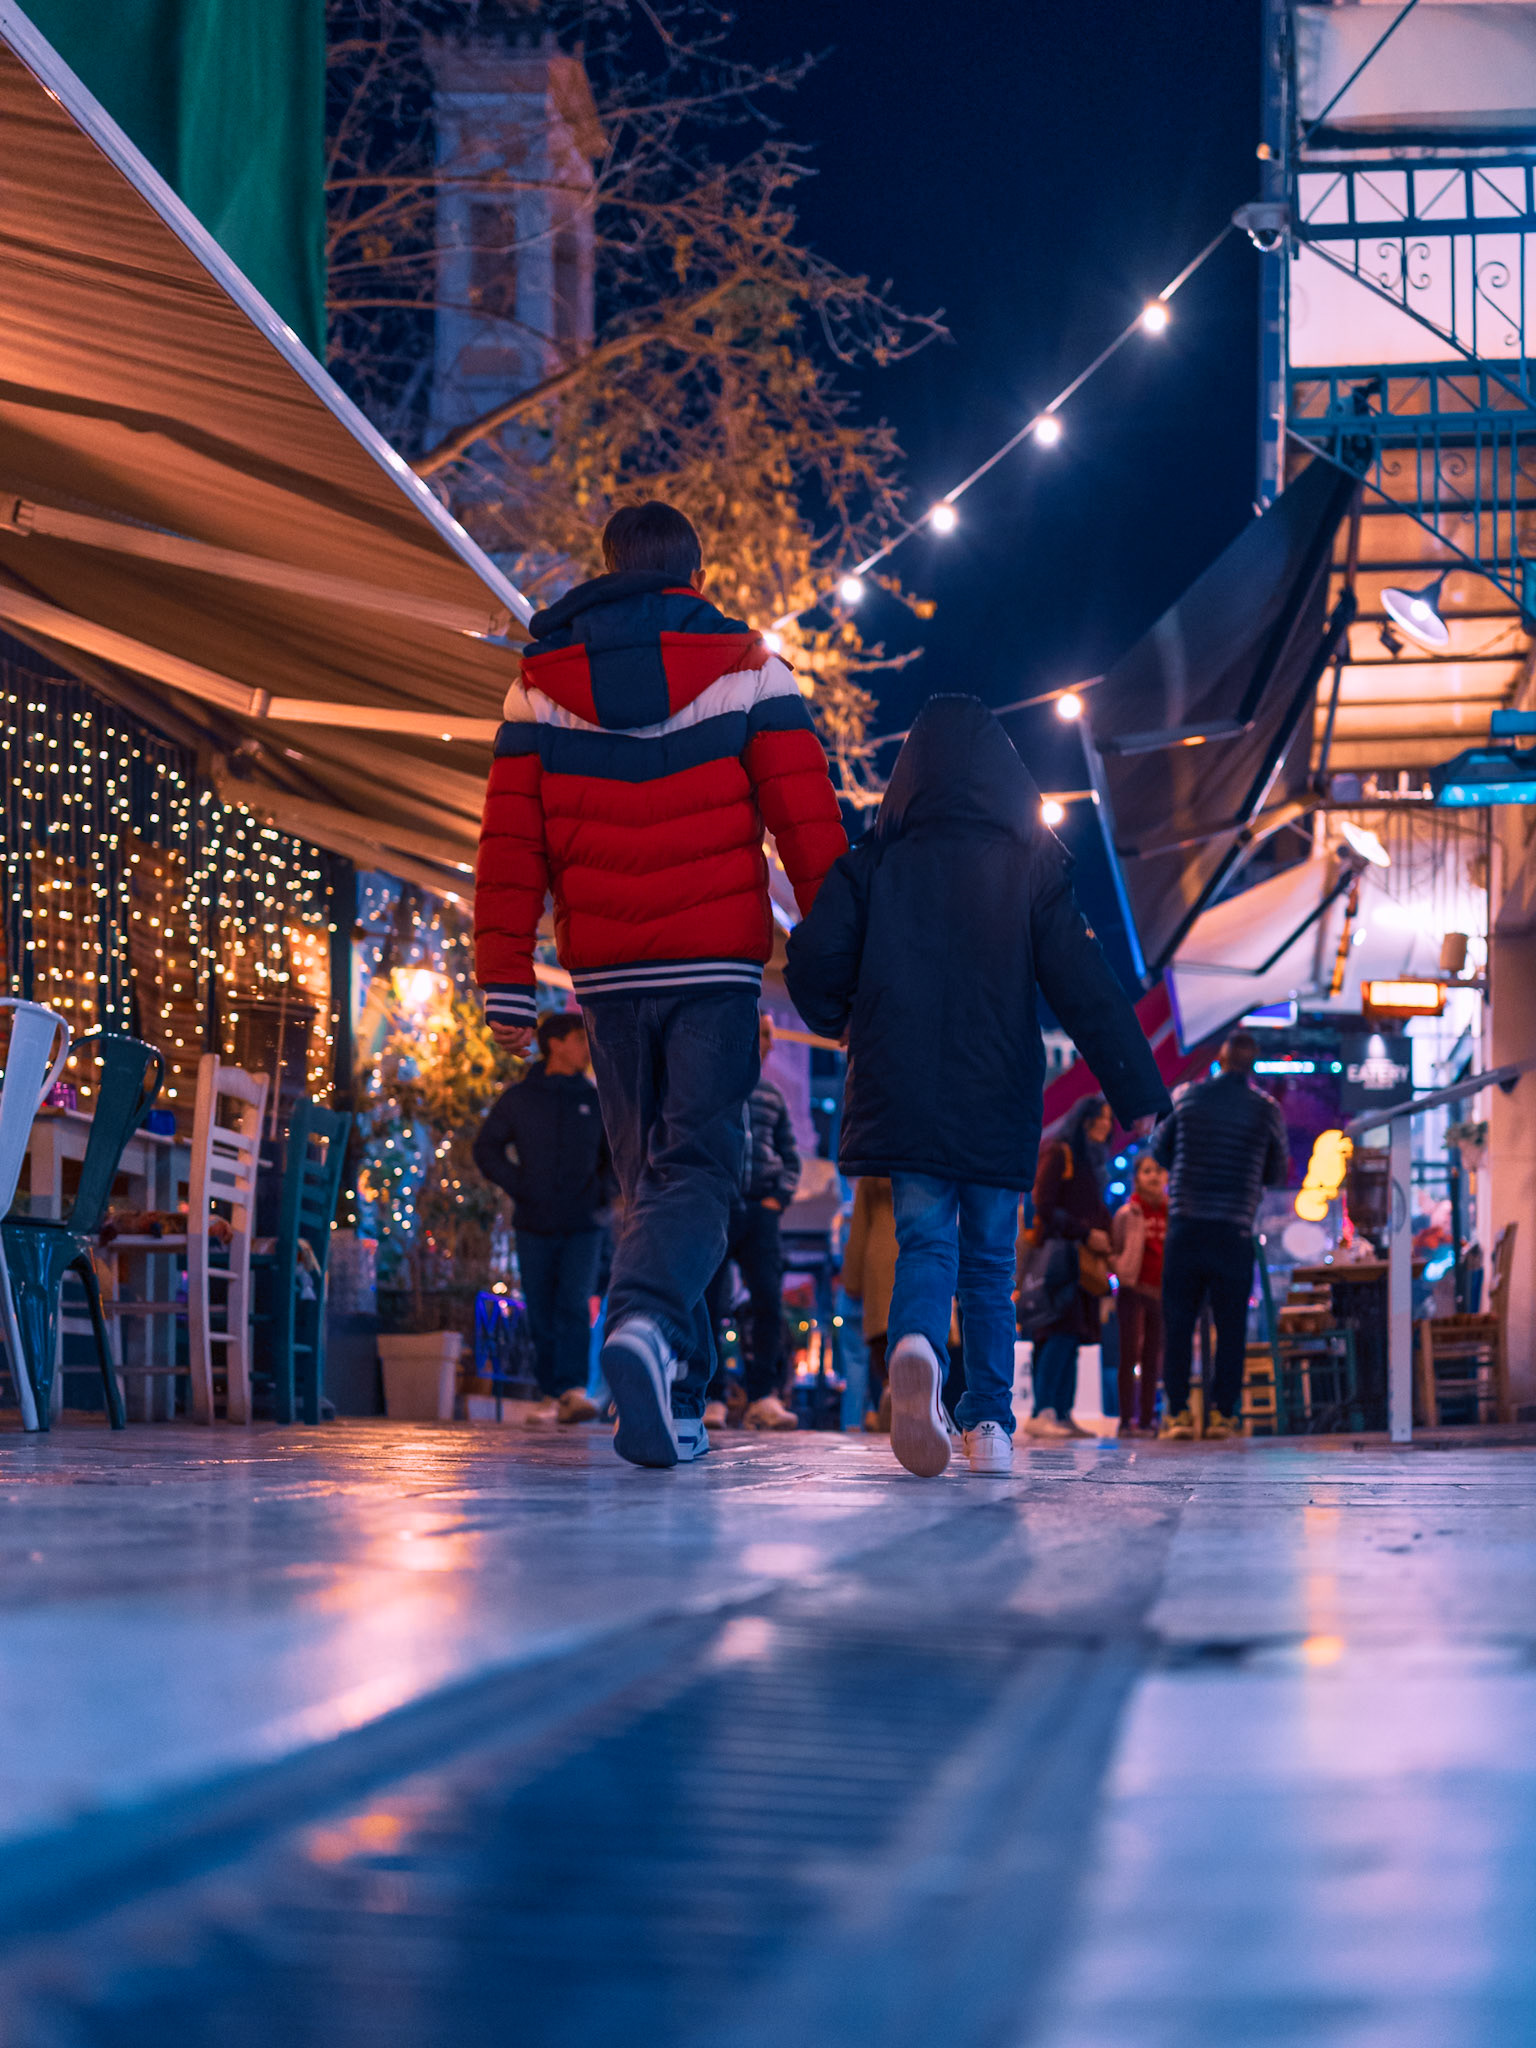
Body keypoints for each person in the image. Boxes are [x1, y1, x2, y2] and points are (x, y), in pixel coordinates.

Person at [474, 501, 846, 1467]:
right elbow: (806, 821)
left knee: (648, 1175)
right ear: (692, 570)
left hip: (604, 970)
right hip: (715, 965)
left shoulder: (538, 686)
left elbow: (510, 846)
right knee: (703, 1168)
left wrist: (506, 976)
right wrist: (842, 945)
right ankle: (642, 1326)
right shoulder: (749, 669)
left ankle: (679, 1392)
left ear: (609, 566)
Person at [784, 694, 1171, 1478]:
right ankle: (989, 1424)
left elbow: (812, 961)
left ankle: (918, 1347)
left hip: (902, 1083)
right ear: (1008, 777)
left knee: (924, 1240)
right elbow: (1085, 987)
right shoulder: (1031, 865)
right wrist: (1137, 1092)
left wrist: (847, 1021)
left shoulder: (876, 863)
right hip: (996, 1087)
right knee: (991, 1263)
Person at [472, 1010, 613, 1426]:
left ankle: (571, 1390)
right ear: (556, 1043)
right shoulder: (520, 1098)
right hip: (533, 1220)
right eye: (581, 1039)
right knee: (540, 1307)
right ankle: (551, 1392)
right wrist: (521, 1185)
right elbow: (487, 1149)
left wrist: (600, 1195)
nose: (588, 1049)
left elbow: (613, 1157)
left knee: (573, 1303)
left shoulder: (594, 1099)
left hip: (584, 1223)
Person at [1151, 1030, 1290, 1441]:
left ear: (1222, 1058)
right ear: (1252, 1063)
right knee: (1231, 1328)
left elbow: (1159, 1150)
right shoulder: (1266, 1110)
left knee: (1178, 1324)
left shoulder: (1187, 1098)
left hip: (1186, 1227)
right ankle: (1223, 1416)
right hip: (1233, 1229)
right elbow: (1278, 1172)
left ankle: (1176, 1415)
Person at [703, 1012, 801, 1432]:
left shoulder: (772, 1096)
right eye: (764, 1034)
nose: (770, 1044)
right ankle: (711, 1396)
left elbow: (790, 1156)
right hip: (718, 1209)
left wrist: (776, 1201)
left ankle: (764, 1395)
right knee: (710, 1303)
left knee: (768, 1303)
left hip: (760, 1213)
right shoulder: (709, 1089)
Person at [1027, 1095, 1115, 1438]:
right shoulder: (1060, 1152)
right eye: (1102, 1118)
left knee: (1074, 1335)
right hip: (1062, 1261)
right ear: (1085, 1119)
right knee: (1059, 1332)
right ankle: (1043, 1410)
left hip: (1083, 1267)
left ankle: (1062, 1413)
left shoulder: (1091, 1161)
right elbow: (1043, 1205)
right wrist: (1085, 1233)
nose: (1107, 1125)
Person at [1111, 1149, 1168, 1436]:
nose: (1154, 1176)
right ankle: (1125, 1420)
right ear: (1136, 1178)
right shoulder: (1127, 1213)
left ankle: (1147, 1419)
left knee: (1153, 1357)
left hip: (1160, 1291)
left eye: (1158, 1170)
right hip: (1133, 1290)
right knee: (1129, 1354)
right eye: (1147, 1171)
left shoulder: (1172, 1212)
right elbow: (1115, 1246)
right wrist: (1121, 1269)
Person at [841, 1175, 897, 1430]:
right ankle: (914, 1404)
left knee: (867, 1354)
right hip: (922, 1262)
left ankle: (859, 1418)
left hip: (878, 1269)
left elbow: (859, 1228)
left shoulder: (872, 1172)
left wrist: (851, 1281)